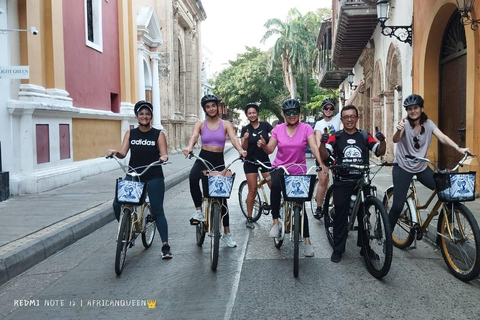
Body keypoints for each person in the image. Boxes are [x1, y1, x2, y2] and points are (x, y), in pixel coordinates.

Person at [388, 94, 470, 232]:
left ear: (421, 108)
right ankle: (386, 234)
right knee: (397, 206)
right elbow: (395, 139)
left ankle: (451, 228)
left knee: (447, 193)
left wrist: (458, 148)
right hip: (402, 167)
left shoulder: (429, 124)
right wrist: (398, 129)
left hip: (421, 167)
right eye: (409, 109)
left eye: (415, 108)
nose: (413, 111)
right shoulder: (405, 124)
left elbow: (442, 137)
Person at [258, 98, 326, 257]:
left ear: (299, 113)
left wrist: (321, 163)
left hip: (298, 169)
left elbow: (314, 146)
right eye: (288, 113)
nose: (292, 115)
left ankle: (308, 241)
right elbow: (270, 150)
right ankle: (275, 222)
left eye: (295, 112)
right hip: (280, 167)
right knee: (275, 186)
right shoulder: (278, 129)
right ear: (284, 114)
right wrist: (263, 145)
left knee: (300, 205)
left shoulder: (306, 128)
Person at [319, 105, 386, 263]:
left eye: (352, 116)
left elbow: (379, 151)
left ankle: (365, 248)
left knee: (364, 214)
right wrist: (322, 144)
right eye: (346, 117)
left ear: (357, 118)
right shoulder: (335, 136)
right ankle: (338, 248)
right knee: (341, 214)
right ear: (341, 120)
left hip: (362, 180)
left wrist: (383, 141)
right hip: (343, 180)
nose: (349, 119)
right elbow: (325, 154)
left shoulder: (364, 135)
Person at [108, 100, 172, 259]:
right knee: (117, 203)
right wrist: (115, 152)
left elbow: (164, 152)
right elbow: (123, 153)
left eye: (147, 114)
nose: (144, 116)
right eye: (141, 114)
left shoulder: (158, 134)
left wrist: (163, 157)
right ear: (137, 116)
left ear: (151, 116)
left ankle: (165, 246)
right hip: (134, 174)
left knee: (158, 210)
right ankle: (126, 231)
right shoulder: (131, 133)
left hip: (153, 175)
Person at [183, 94, 247, 248]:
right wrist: (189, 147)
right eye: (208, 106)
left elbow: (233, 138)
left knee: (221, 197)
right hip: (204, 157)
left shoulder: (225, 124)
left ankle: (227, 233)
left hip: (218, 160)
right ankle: (198, 210)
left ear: (217, 107)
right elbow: (193, 137)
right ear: (205, 109)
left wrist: (240, 150)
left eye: (213, 105)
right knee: (193, 177)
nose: (211, 109)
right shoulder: (200, 124)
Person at [313, 81, 364, 219]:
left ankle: (337, 206)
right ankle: (318, 207)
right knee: (323, 180)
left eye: (330, 108)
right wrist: (321, 162)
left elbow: (349, 101)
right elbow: (318, 141)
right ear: (323, 109)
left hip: (336, 153)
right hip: (323, 153)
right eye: (326, 108)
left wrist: (358, 88)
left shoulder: (337, 119)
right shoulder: (319, 123)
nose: (328, 110)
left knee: (338, 182)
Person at [240, 103, 273, 229]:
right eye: (249, 113)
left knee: (273, 185)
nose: (252, 115)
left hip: (264, 160)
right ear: (247, 115)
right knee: (253, 189)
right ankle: (249, 217)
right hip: (250, 162)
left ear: (257, 113)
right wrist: (246, 139)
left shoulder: (265, 125)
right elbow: (243, 148)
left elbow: (276, 135)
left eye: (254, 112)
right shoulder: (245, 129)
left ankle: (277, 213)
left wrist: (266, 143)